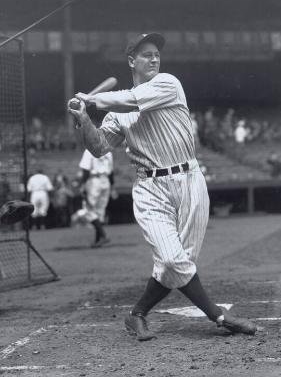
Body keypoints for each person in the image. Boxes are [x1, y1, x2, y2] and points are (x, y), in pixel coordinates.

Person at [68, 32, 256, 341]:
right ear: (132, 61)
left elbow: (130, 99)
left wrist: (92, 99)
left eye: (156, 53)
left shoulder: (168, 84)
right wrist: (84, 118)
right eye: (146, 54)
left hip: (190, 180)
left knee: (180, 264)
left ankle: (136, 314)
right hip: (149, 189)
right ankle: (220, 316)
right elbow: (100, 147)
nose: (154, 58)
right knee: (171, 259)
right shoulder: (117, 112)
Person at [71, 149, 113, 248]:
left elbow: (86, 170)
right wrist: (113, 186)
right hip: (106, 180)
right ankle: (98, 240)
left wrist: (81, 185)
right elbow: (111, 172)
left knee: (88, 209)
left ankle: (103, 235)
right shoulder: (108, 151)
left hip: (94, 181)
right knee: (100, 211)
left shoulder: (89, 150)